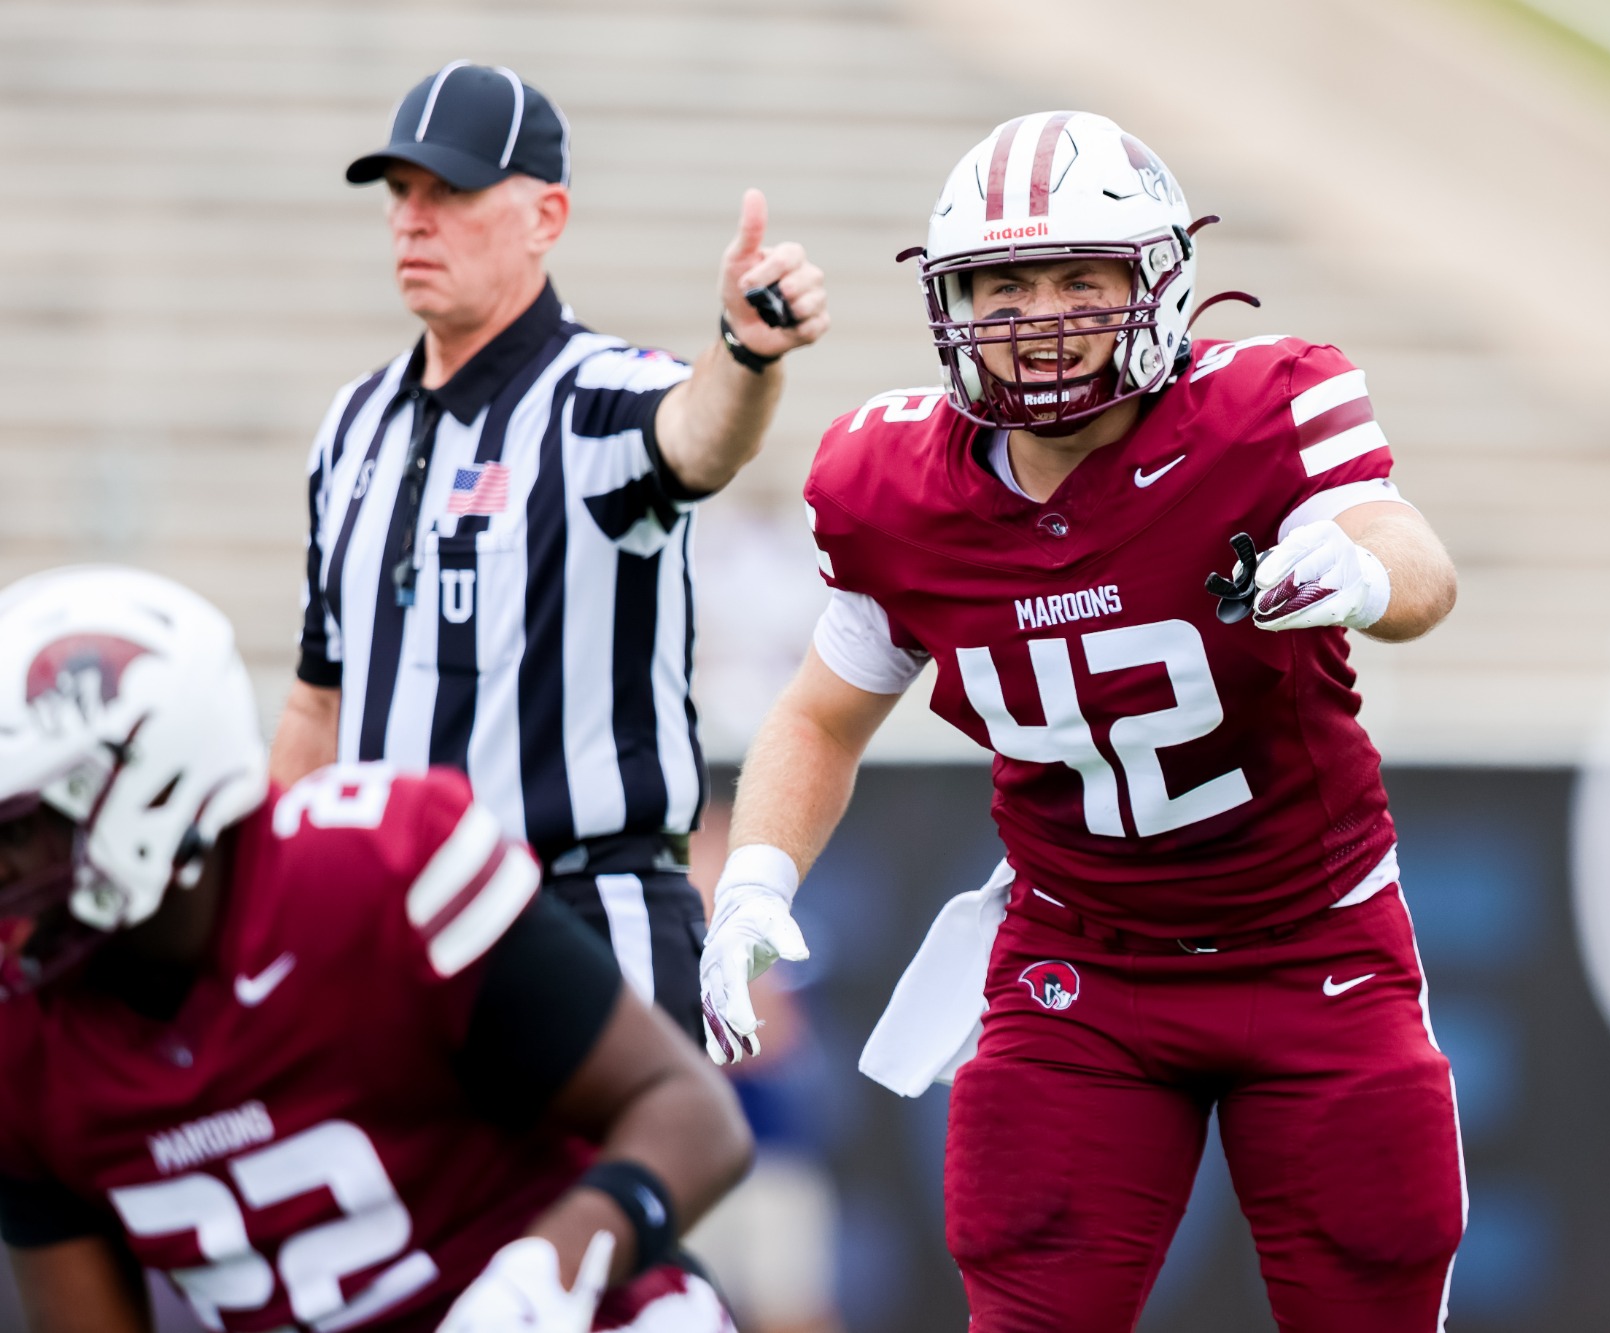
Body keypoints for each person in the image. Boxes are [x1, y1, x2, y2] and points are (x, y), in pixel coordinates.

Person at [698, 111, 1466, 1330]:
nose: (1039, 315)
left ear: (1156, 286)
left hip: (1313, 941)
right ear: (953, 303)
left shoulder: (1263, 411)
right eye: (1003, 284)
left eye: (1077, 279)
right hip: (1084, 965)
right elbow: (821, 714)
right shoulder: (891, 486)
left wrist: (1365, 582)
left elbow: (1406, 552)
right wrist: (753, 878)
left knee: (1370, 1287)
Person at [0, 566, 752, 1333]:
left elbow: (693, 1114)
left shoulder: (374, 874)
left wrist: (537, 1281)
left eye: (17, 828)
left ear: (147, 791)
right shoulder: (22, 1032)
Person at [267, 61, 828, 1040]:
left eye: (450, 191)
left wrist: (745, 354)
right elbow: (319, 699)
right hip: (391, 935)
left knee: (590, 1196)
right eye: (401, 192)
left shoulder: (599, 398)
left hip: (574, 916)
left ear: (546, 216)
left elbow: (698, 435)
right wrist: (265, 920)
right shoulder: (352, 423)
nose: (412, 218)